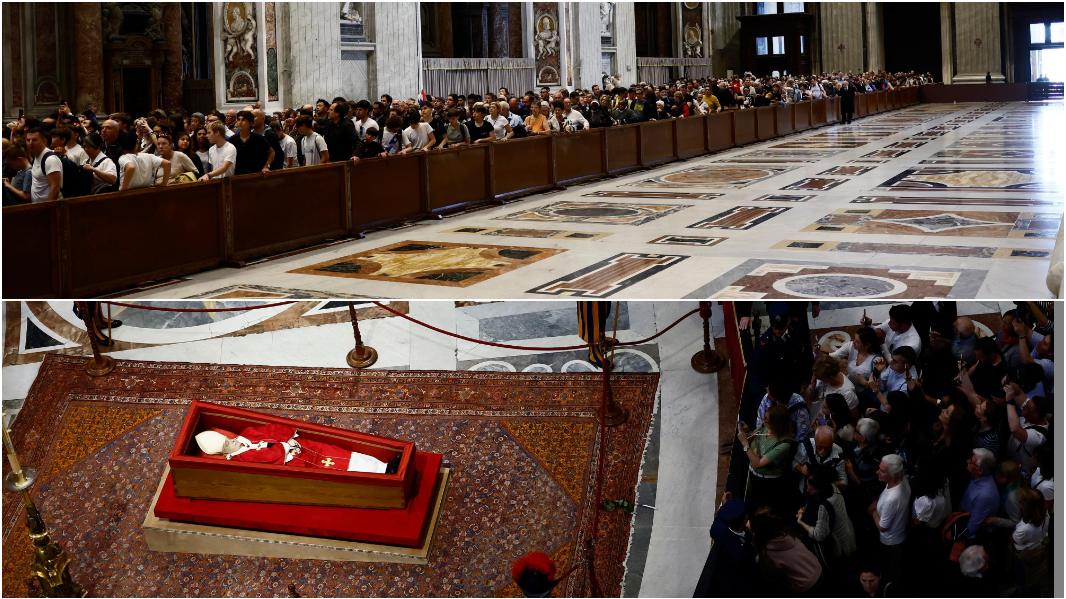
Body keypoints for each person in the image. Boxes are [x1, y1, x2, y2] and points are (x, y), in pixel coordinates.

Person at [749, 507, 823, 594]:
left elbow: (773, 578)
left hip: (805, 586)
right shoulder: (787, 533)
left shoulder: (768, 553)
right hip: (817, 569)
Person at [738, 404, 795, 513]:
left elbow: (758, 464)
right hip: (753, 475)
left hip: (768, 483)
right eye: (764, 417)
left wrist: (745, 444)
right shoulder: (764, 427)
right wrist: (746, 431)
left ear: (776, 423)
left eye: (767, 420)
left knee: (763, 508)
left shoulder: (784, 444)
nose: (763, 420)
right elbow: (751, 438)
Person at [795, 469, 855, 571]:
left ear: (820, 489)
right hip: (848, 532)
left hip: (839, 545)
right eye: (807, 485)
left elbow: (819, 535)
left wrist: (801, 522)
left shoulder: (825, 506)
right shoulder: (832, 487)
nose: (807, 490)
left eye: (812, 488)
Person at [1012, 487, 1050, 596]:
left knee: (1025, 583)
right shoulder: (1045, 514)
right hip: (1039, 549)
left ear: (1024, 506)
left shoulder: (1025, 528)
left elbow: (1013, 538)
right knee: (1034, 580)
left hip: (1025, 557)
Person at [960, 448, 999, 541]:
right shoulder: (976, 476)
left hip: (971, 535)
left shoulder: (985, 496)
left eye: (971, 462)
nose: (968, 461)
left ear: (980, 470)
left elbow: (972, 527)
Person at [806, 354, 859, 421]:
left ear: (830, 378)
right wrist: (812, 387)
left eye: (821, 379)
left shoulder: (848, 392)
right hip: (818, 413)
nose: (819, 380)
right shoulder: (822, 376)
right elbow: (811, 398)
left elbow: (854, 415)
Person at [24, 128, 63, 202]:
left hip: (47, 208)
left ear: (44, 141)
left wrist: (49, 208)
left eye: (34, 140)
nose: (30, 143)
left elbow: (55, 187)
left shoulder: (50, 160)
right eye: (28, 140)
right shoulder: (37, 156)